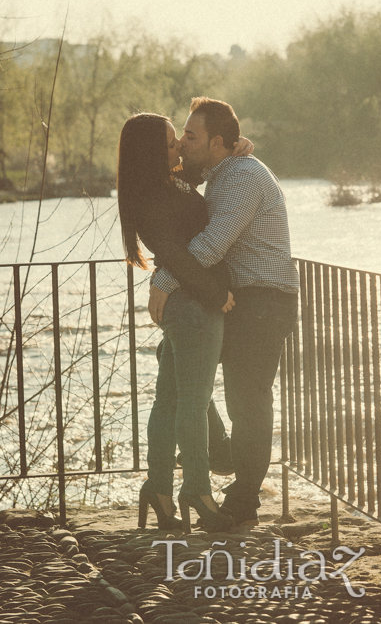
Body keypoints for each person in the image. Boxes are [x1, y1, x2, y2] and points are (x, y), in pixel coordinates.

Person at [149, 97, 300, 527]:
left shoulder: (242, 176)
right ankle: (221, 453)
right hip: (237, 298)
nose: (181, 142)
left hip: (262, 301)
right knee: (172, 361)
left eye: (190, 136)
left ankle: (242, 502)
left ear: (216, 143)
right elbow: (166, 174)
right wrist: (235, 143)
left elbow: (213, 243)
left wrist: (164, 280)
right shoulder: (221, 169)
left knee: (247, 401)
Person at [117, 112, 247, 533]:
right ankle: (197, 491)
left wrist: (238, 148)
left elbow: (209, 163)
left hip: (186, 305)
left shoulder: (166, 183)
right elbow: (174, 256)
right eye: (173, 141)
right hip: (193, 307)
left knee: (170, 400)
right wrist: (217, 295)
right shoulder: (152, 196)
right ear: (153, 152)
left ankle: (157, 487)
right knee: (193, 402)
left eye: (180, 139)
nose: (179, 147)